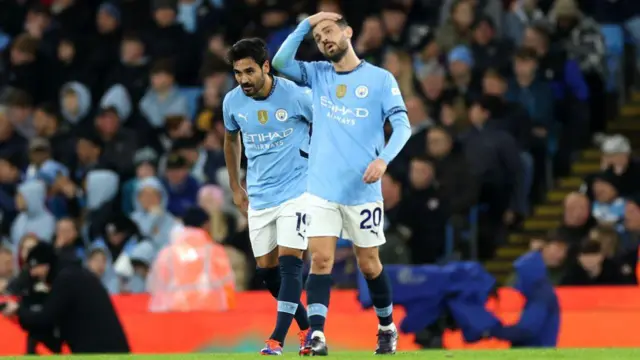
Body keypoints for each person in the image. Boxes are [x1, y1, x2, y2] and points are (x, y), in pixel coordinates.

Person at [273, 11, 412, 355]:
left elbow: (403, 126)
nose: (324, 40)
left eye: (329, 31)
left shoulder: (380, 79)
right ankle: (317, 335)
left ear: (348, 32)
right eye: (318, 38)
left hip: (362, 192)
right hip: (321, 189)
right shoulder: (318, 75)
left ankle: (386, 326)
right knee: (320, 260)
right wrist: (307, 24)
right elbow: (278, 62)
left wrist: (384, 160)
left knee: (369, 264)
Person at [222, 38, 312, 355]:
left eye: (249, 71)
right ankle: (309, 330)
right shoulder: (232, 102)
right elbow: (231, 141)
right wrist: (236, 186)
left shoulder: (297, 96)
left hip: (297, 191)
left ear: (265, 66)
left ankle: (276, 339)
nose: (243, 79)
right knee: (268, 273)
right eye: (237, 72)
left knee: (291, 266)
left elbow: (328, 127)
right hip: (260, 196)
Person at [1, 242, 130, 353]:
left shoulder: (66, 280)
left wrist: (18, 311)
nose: (34, 275)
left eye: (34, 269)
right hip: (109, 349)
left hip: (101, 352)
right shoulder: (77, 274)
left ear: (44, 266)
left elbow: (46, 318)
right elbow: (55, 340)